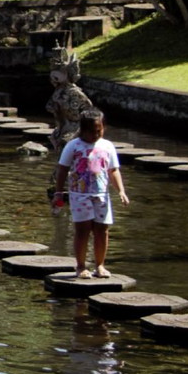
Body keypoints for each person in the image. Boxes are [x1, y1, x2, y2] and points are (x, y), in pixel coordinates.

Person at [53, 110, 129, 279]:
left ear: (104, 128)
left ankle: (100, 265)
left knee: (102, 229)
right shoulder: (73, 146)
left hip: (102, 194)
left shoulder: (107, 146)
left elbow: (113, 170)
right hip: (80, 195)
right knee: (83, 230)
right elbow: (63, 169)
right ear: (82, 130)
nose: (95, 135)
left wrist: (121, 191)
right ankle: (80, 266)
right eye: (91, 131)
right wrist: (58, 192)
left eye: (99, 130)